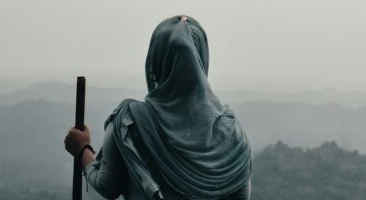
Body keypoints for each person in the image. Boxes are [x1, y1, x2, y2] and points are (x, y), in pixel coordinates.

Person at [64, 15, 252, 200]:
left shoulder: (130, 122)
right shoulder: (232, 132)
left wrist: (82, 149)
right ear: (202, 59)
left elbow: (108, 186)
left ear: (157, 60)